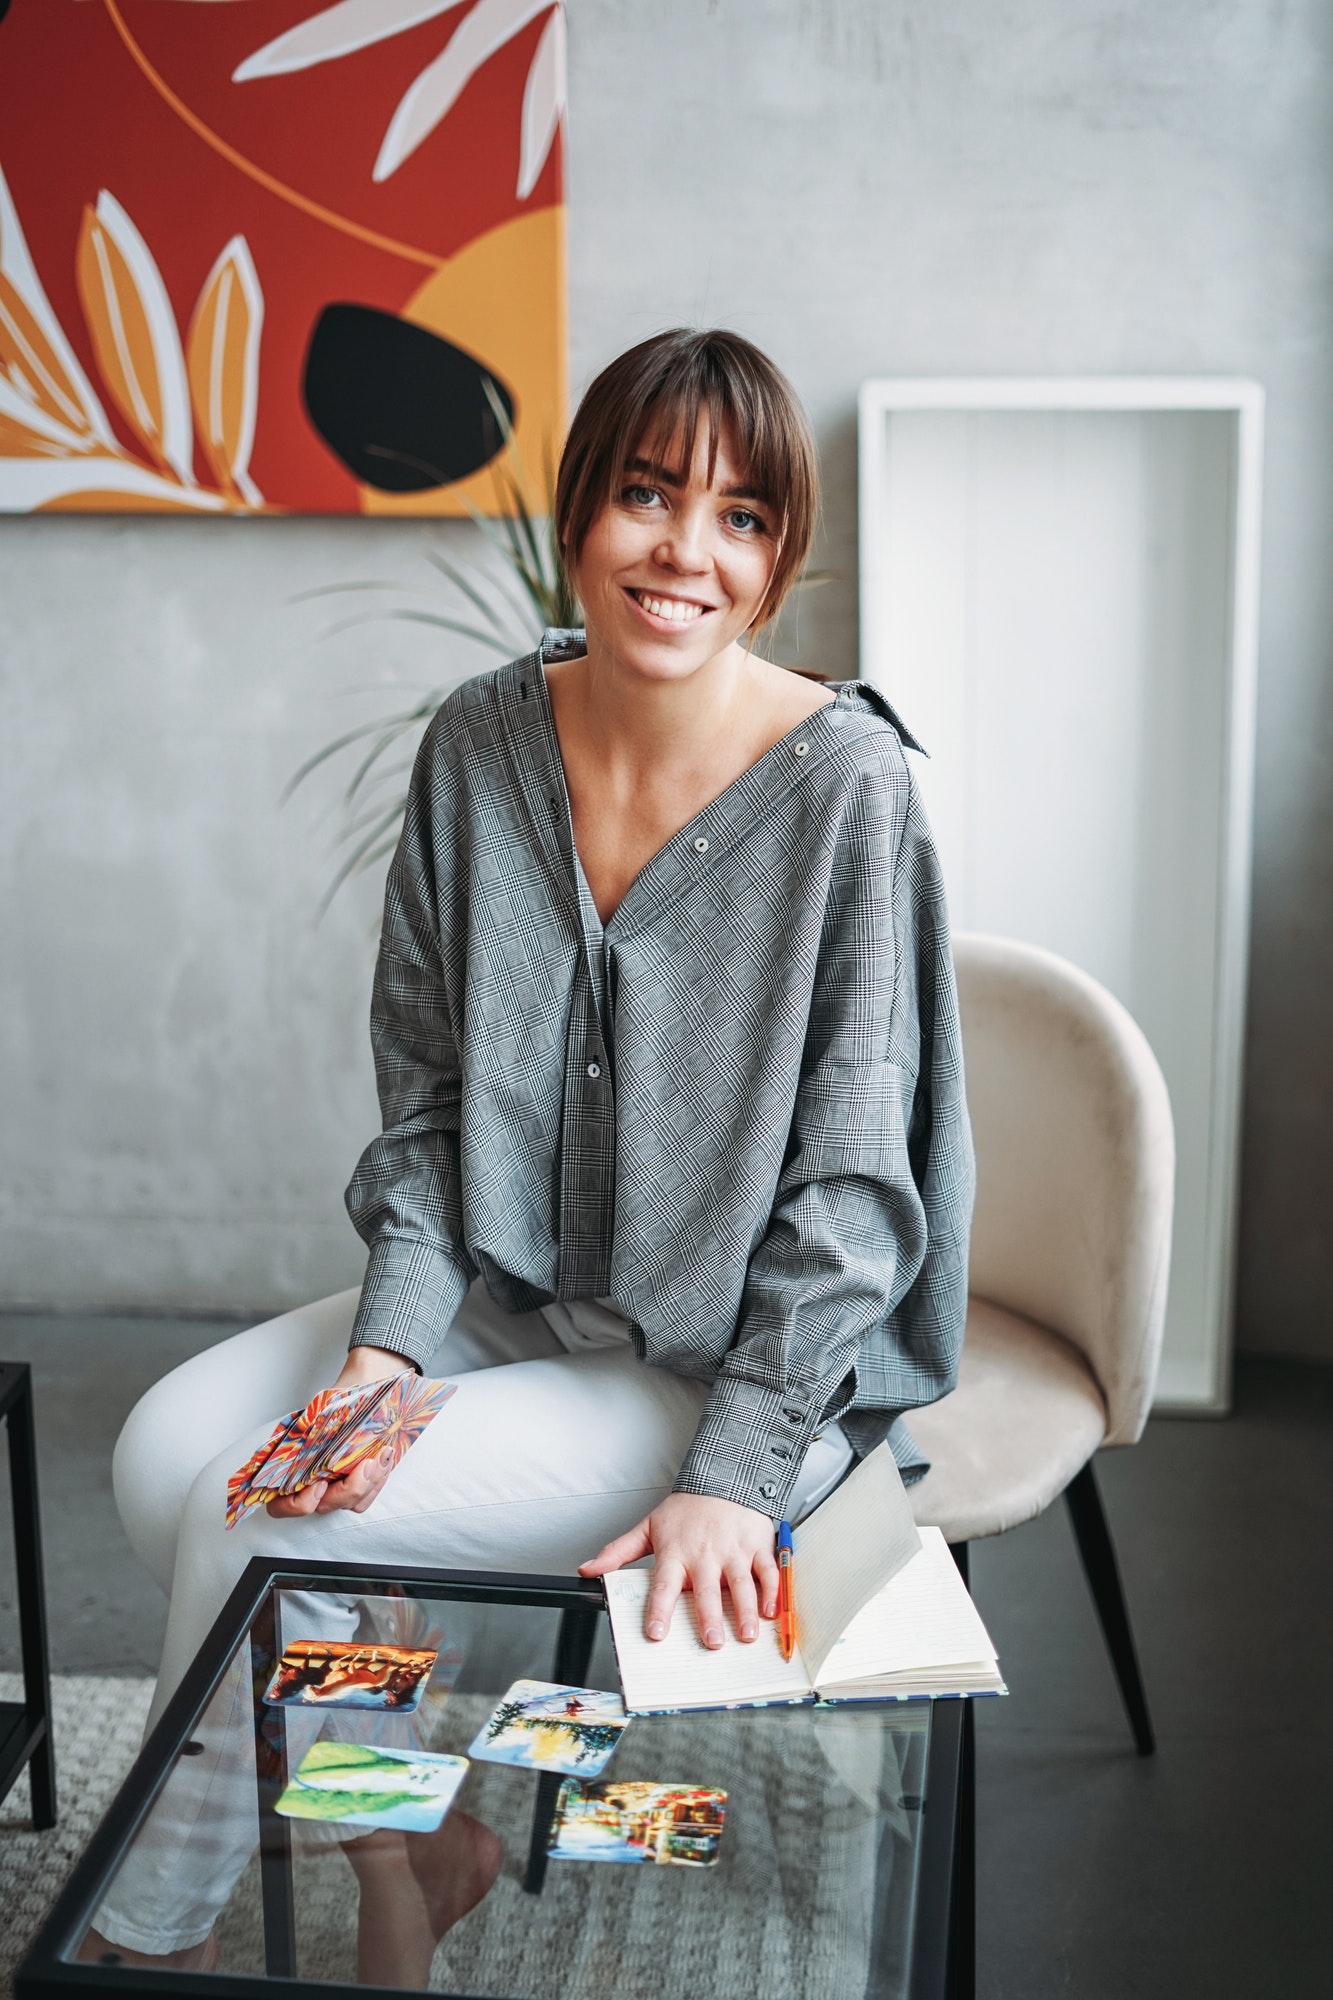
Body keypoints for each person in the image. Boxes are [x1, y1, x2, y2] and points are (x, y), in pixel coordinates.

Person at [91, 328, 974, 1984]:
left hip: (716, 1365)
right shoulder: (478, 745)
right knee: (166, 1463)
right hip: (503, 1290)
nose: (680, 552)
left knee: (262, 1524)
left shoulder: (848, 789)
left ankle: (143, 1938)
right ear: (583, 514)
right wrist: (381, 1354)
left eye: (734, 517)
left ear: (778, 557)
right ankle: (417, 1833)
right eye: (645, 496)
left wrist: (734, 1470)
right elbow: (427, 1095)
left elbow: (855, 1188)